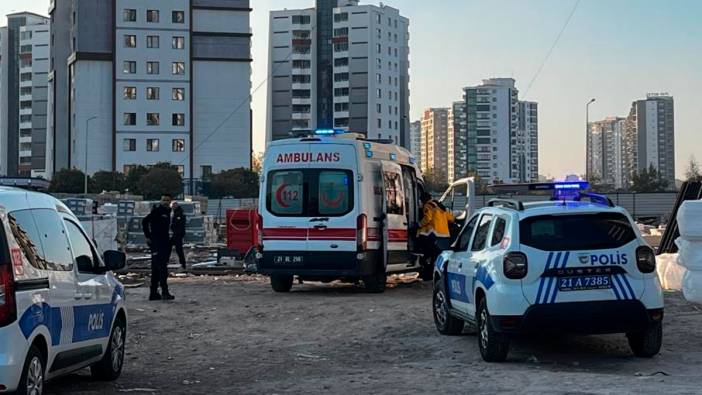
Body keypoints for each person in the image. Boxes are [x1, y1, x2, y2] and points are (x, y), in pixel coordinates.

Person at [142, 194, 175, 301]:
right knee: (161, 268)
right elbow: (144, 221)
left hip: (165, 243)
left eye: (167, 200)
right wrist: (148, 236)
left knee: (157, 268)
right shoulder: (157, 211)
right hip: (156, 243)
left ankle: (154, 293)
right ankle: (164, 292)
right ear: (160, 201)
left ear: (170, 201)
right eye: (163, 200)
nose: (165, 202)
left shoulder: (168, 212)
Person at [417, 191, 455, 263]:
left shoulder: (428, 205)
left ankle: (424, 258)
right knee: (438, 255)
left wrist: (418, 224)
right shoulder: (440, 206)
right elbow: (451, 218)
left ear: (424, 200)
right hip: (445, 235)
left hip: (434, 235)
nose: (421, 203)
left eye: (421, 201)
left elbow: (428, 218)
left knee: (420, 234)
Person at [170, 201, 187, 270]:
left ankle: (183, 264)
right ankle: (183, 264)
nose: (172, 207)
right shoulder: (176, 212)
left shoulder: (178, 213)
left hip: (178, 234)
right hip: (177, 233)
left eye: (173, 206)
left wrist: (172, 226)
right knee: (177, 249)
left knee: (178, 249)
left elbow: (178, 223)